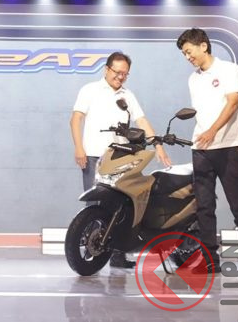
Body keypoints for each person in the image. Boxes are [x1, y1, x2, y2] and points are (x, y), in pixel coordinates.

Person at [70, 52, 171, 268]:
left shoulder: (128, 95)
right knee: (94, 204)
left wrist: (158, 145)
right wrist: (79, 147)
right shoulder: (90, 90)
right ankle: (90, 253)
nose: (121, 77)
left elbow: (141, 120)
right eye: (117, 72)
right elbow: (76, 119)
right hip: (95, 155)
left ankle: (117, 255)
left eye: (125, 74)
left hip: (122, 156)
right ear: (106, 69)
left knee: (121, 205)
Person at [176, 28, 238, 276]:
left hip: (228, 148)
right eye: (184, 54)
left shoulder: (228, 69)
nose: (187, 57)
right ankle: (210, 260)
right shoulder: (192, 79)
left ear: (203, 46)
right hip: (201, 150)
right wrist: (204, 135)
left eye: (189, 51)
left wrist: (213, 130)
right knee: (204, 208)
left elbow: (233, 102)